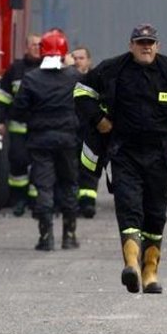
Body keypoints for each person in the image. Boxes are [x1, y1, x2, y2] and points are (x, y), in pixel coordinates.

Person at [75, 23, 167, 294]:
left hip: (160, 153)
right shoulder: (113, 69)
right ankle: (131, 265)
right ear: (131, 45)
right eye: (140, 42)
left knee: (155, 213)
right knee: (128, 206)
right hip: (124, 151)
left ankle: (150, 272)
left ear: (158, 46)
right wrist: (99, 120)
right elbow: (81, 91)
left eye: (150, 43)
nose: (146, 47)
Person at [12, 30, 81, 251]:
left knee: (44, 187)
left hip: (40, 140)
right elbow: (86, 105)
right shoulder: (74, 77)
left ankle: (46, 237)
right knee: (69, 184)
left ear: (42, 51)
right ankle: (69, 236)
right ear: (63, 51)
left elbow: (19, 110)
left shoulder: (31, 78)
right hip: (68, 140)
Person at [0, 33, 44, 217]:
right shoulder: (15, 69)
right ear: (26, 47)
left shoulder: (47, 68)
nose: (36, 48)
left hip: (40, 128)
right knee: (17, 164)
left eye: (40, 45)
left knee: (40, 166)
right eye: (33, 44)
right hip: (18, 127)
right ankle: (19, 200)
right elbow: (3, 97)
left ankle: (36, 202)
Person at [70, 45, 103, 219]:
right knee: (71, 168)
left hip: (91, 131)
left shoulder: (97, 78)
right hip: (70, 130)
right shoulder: (66, 78)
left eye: (81, 58)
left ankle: (88, 204)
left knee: (90, 167)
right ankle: (73, 204)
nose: (77, 61)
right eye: (74, 57)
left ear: (89, 61)